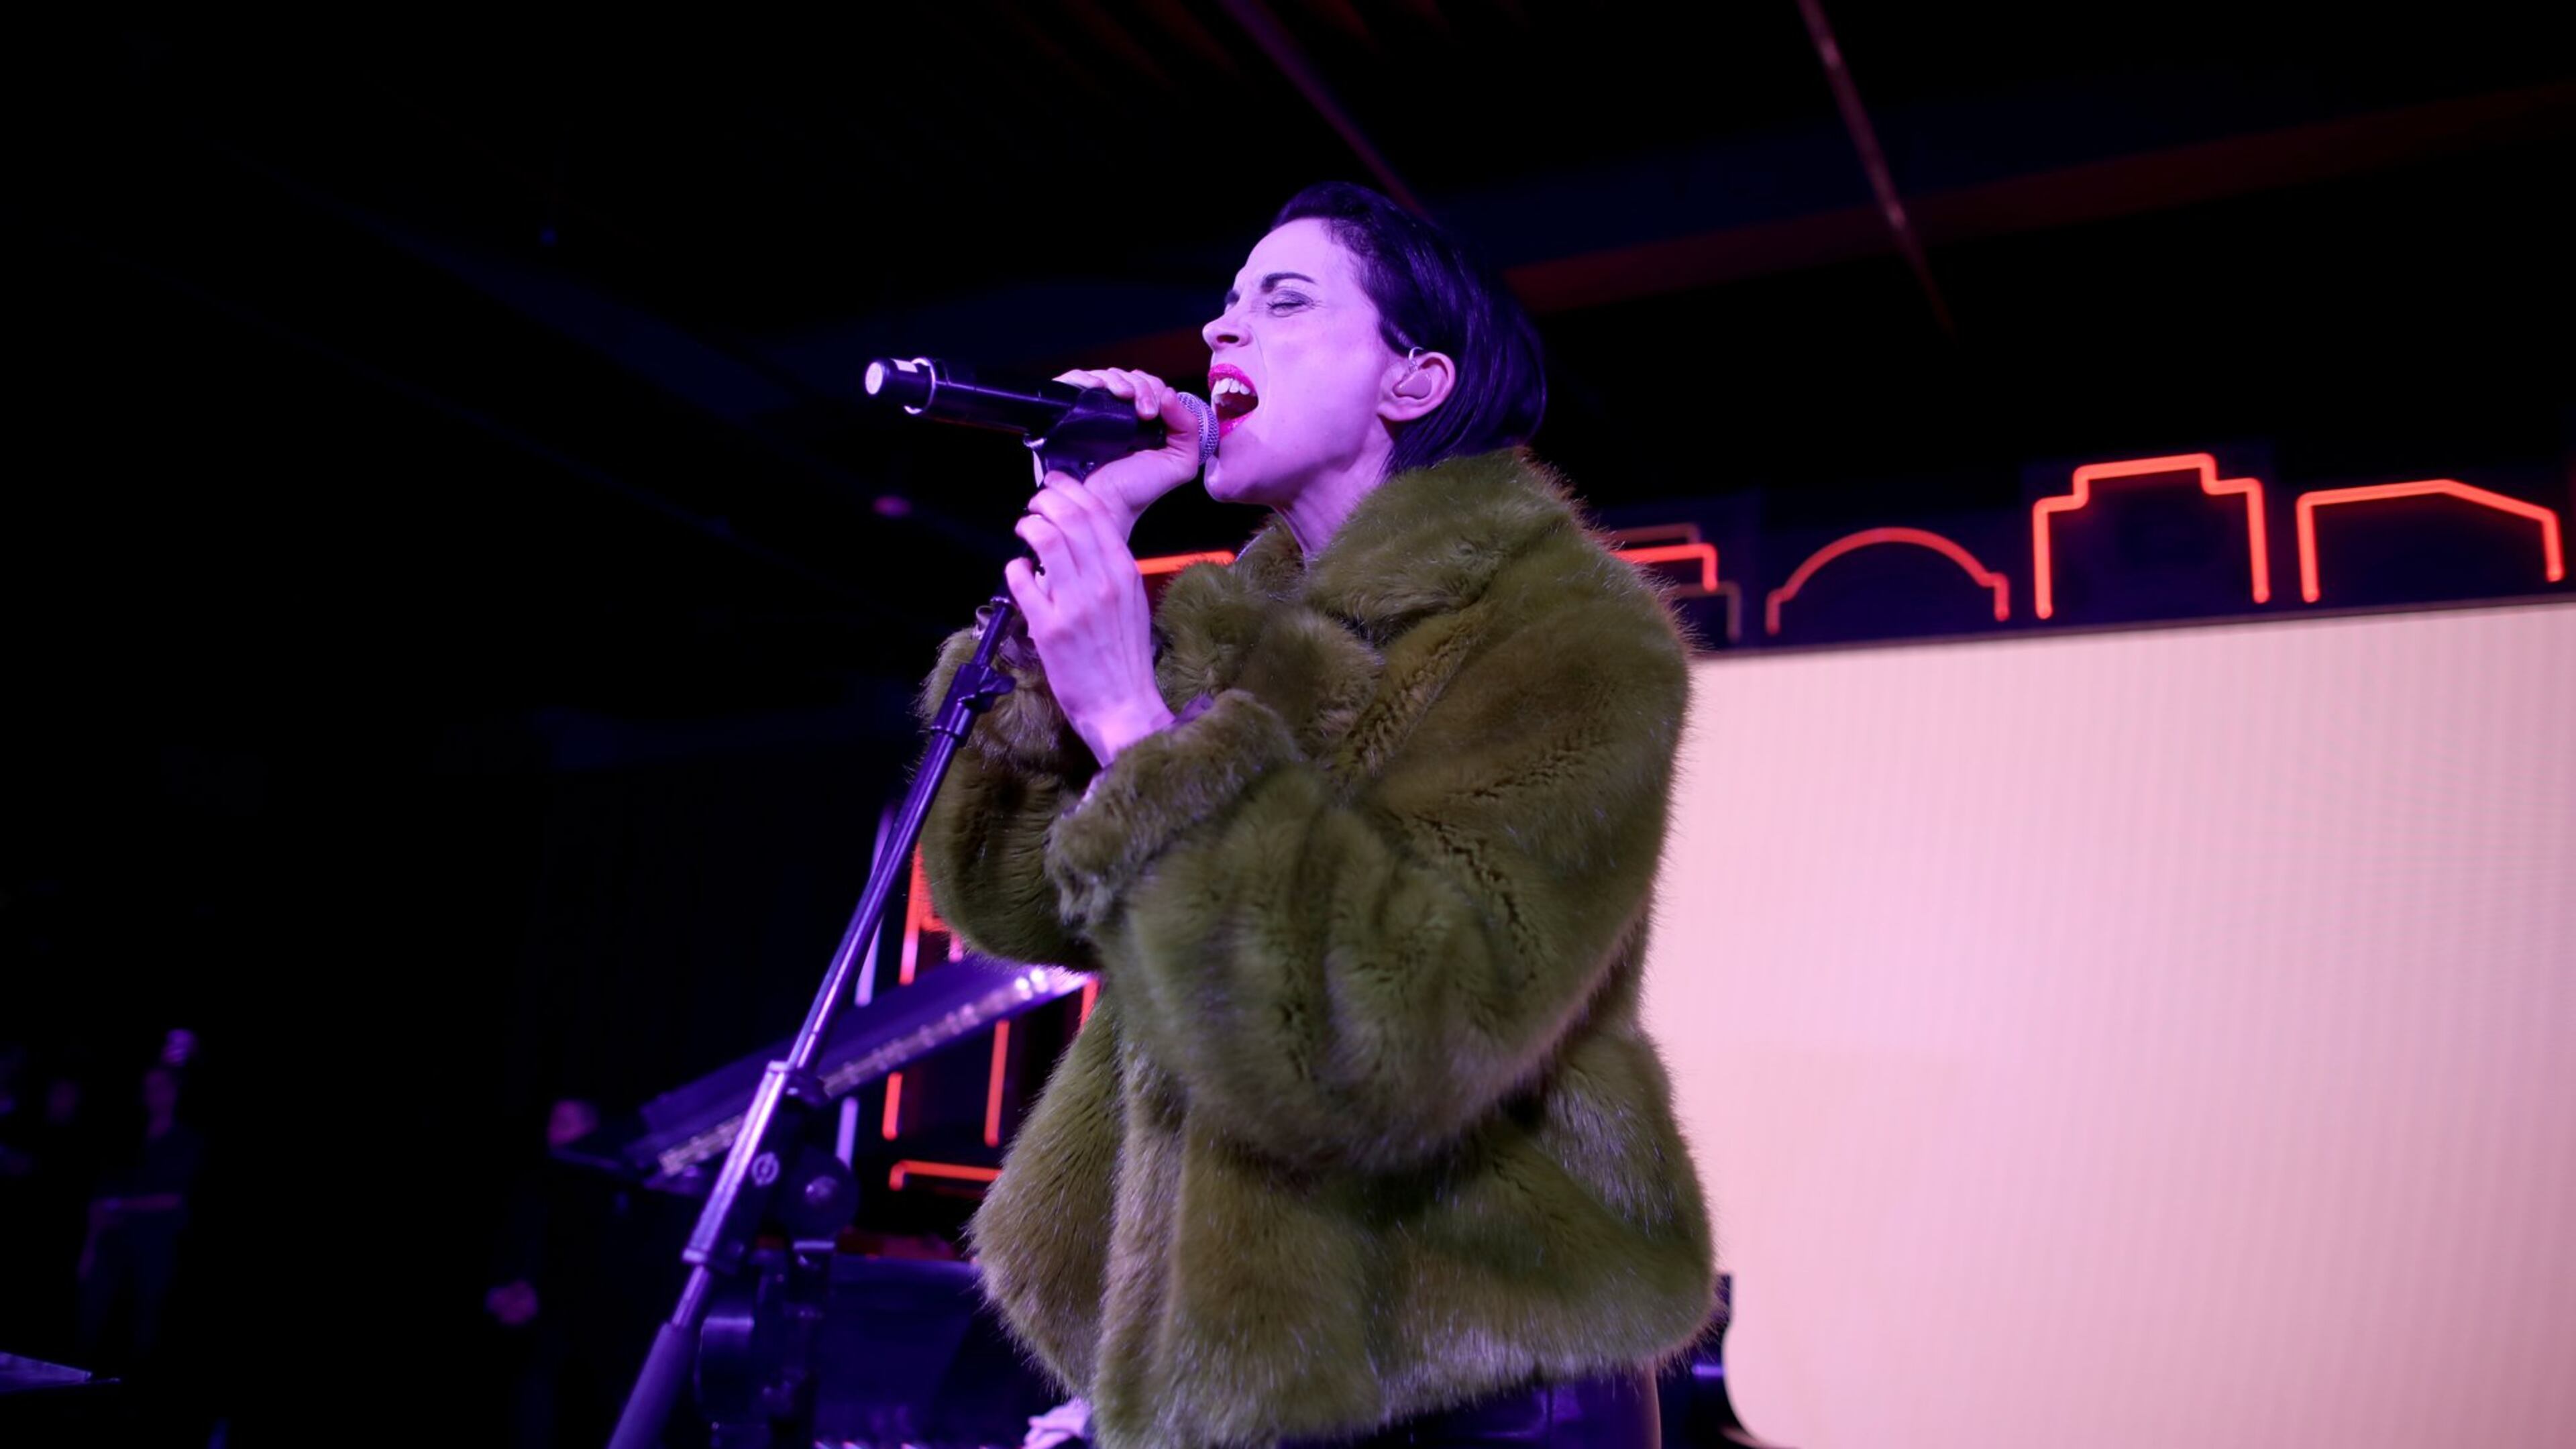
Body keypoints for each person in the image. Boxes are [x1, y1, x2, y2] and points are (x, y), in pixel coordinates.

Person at [915, 182, 1715, 1449]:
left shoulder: (1573, 634)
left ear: (1411, 381)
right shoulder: (1233, 631)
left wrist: (1135, 725)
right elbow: (1012, 887)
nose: (1223, 334)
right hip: (1245, 1384)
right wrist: (1088, 528)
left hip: (1479, 1377)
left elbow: (1407, 1033)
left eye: (1282, 302)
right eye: (1224, 308)